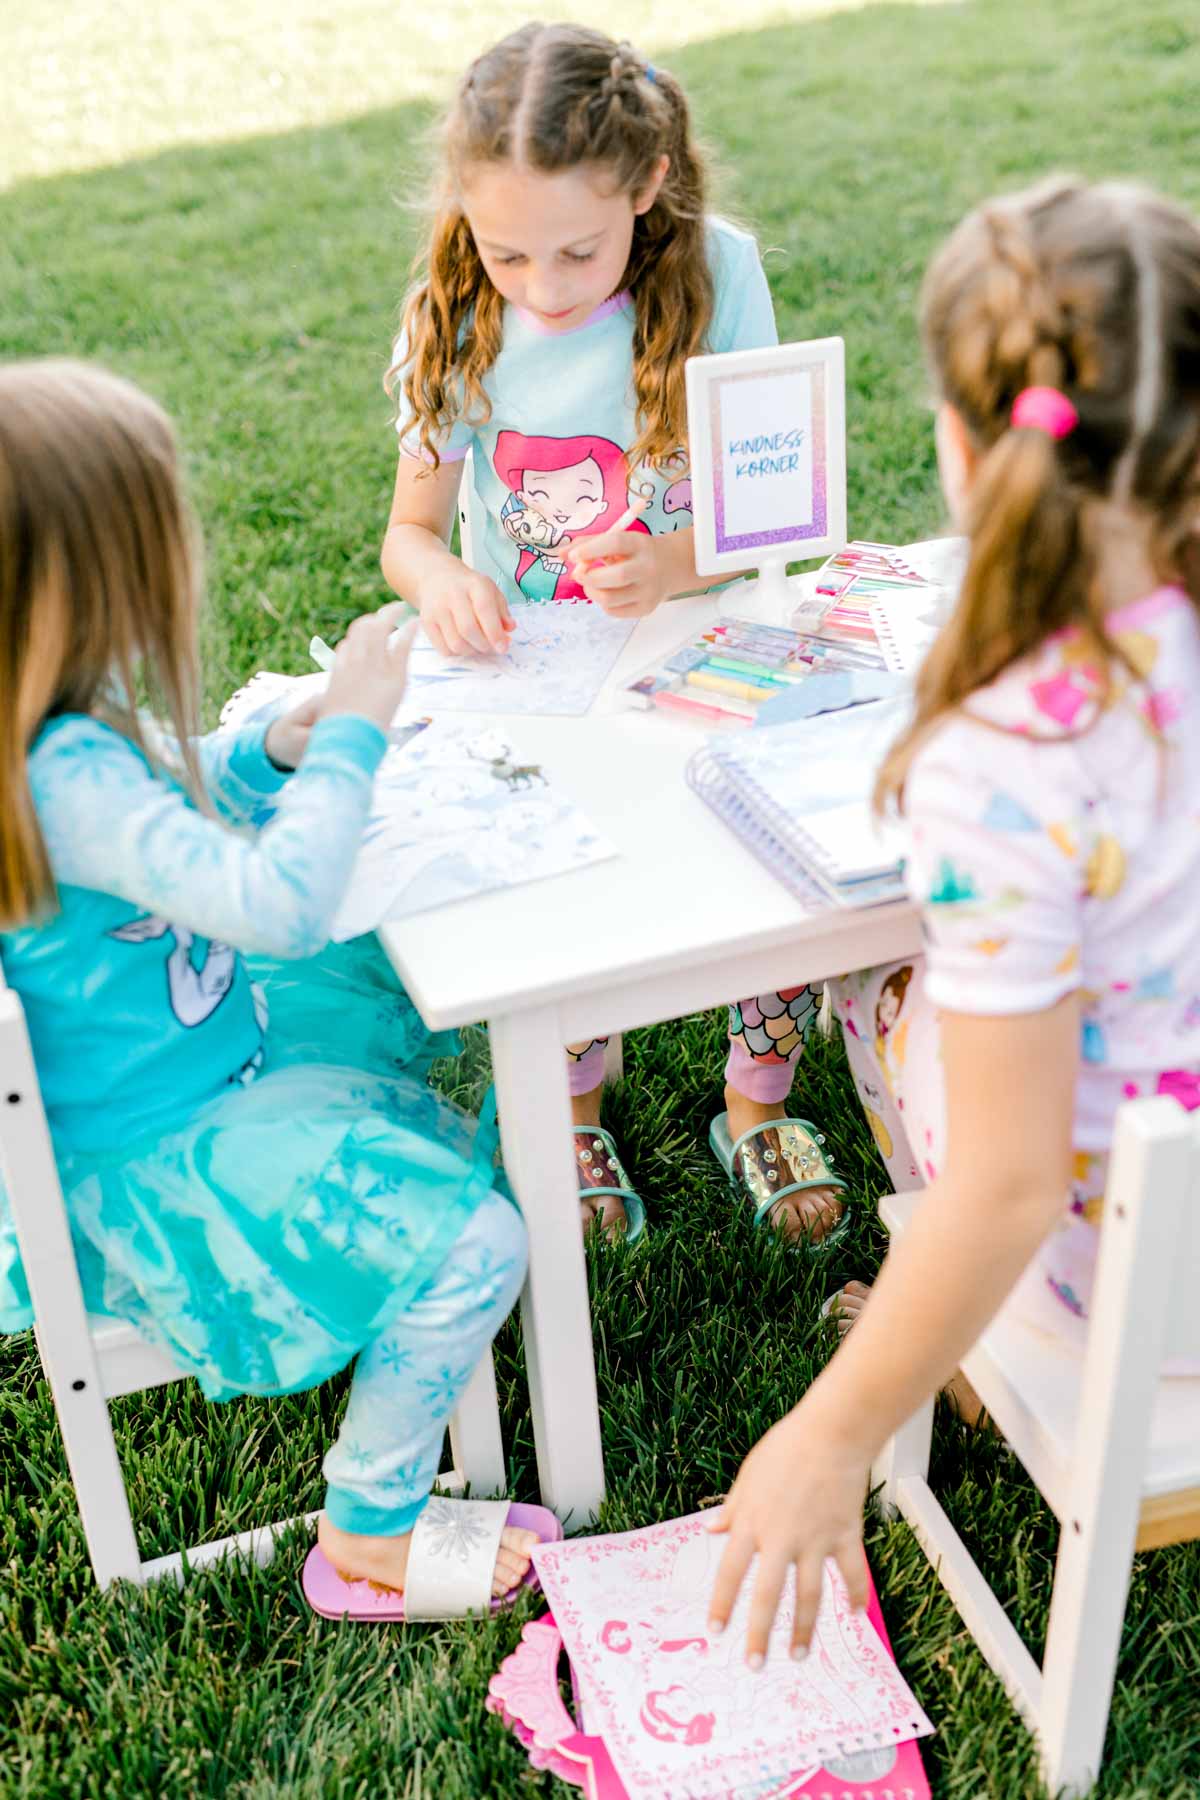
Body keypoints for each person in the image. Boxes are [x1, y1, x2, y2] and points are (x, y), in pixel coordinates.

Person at [706, 176, 1200, 1660]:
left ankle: (941, 1343)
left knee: (885, 997)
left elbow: (1005, 1182)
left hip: (1145, 1293)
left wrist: (827, 1433)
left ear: (962, 441)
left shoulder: (1002, 763)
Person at [0, 359, 556, 1617]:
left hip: (190, 1064)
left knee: (390, 976)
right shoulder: (59, 773)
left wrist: (273, 744)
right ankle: (369, 1523)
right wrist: (354, 732)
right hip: (167, 1158)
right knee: (479, 1242)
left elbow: (167, 787)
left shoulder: (42, 726)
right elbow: (276, 905)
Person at [381, 23, 842, 1244]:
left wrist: (676, 560)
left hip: (707, 645)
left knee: (767, 862)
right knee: (562, 876)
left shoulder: (721, 273)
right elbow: (410, 533)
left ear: (646, 188)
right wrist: (440, 584)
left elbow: (774, 505)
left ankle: (755, 1104)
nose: (541, 284)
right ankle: (575, 1103)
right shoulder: (457, 305)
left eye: (579, 250)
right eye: (507, 249)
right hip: (540, 675)